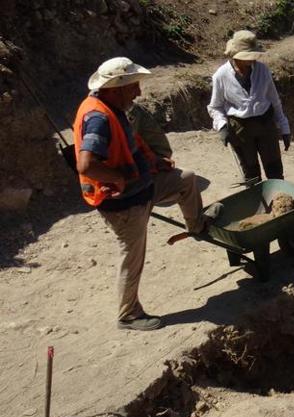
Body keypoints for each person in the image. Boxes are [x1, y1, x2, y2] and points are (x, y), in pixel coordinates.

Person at [74, 57, 212, 331]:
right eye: (134, 85)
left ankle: (196, 225)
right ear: (116, 88)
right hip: (125, 204)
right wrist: (119, 178)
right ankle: (128, 315)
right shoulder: (99, 117)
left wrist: (153, 164)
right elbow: (86, 164)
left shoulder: (112, 107)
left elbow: (126, 148)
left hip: (143, 187)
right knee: (132, 257)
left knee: (185, 179)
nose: (138, 91)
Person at [207, 30, 291, 182]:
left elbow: (274, 100)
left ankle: (279, 202)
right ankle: (257, 203)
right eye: (247, 57)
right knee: (251, 174)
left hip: (265, 125)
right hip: (240, 130)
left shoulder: (262, 70)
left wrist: (284, 127)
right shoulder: (221, 76)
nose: (252, 60)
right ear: (235, 56)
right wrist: (222, 126)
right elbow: (215, 106)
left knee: (275, 170)